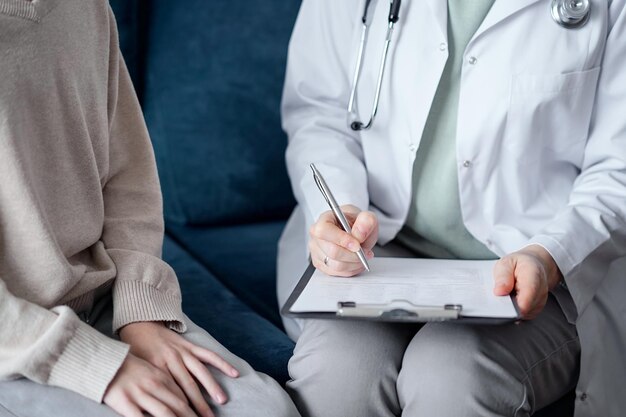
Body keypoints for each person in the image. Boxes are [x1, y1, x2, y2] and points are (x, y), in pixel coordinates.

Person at [277, 0, 626, 416]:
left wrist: (549, 255)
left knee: (451, 379)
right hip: (378, 251)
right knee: (339, 374)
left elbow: (617, 165)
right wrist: (341, 209)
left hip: (539, 267)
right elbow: (319, 111)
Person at [0, 1, 300, 417]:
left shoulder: (87, 8)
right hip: (14, 344)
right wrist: (92, 364)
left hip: (102, 303)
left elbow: (128, 178)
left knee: (267, 411)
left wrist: (141, 312)